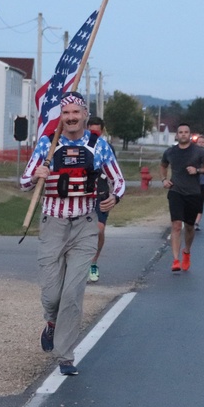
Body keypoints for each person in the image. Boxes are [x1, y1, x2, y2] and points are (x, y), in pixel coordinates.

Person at [20, 92, 125, 376]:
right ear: (61, 116)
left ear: (84, 114)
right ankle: (52, 322)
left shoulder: (98, 146)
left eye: (75, 113)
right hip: (53, 222)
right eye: (66, 113)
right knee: (52, 293)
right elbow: (24, 181)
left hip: (85, 224)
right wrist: (37, 175)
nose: (70, 118)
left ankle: (65, 356)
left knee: (73, 292)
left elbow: (119, 181)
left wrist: (114, 198)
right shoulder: (47, 143)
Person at [159, 123, 204, 272]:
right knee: (176, 225)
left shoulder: (198, 151)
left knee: (189, 227)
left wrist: (197, 170)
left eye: (186, 132)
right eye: (180, 132)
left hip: (193, 193)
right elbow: (163, 165)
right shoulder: (170, 152)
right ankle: (175, 260)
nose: (183, 134)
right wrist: (164, 179)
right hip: (176, 191)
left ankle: (187, 252)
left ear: (190, 135)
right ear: (176, 135)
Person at [87, 115, 111, 282]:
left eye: (97, 132)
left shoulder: (106, 148)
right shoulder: (81, 146)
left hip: (101, 194)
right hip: (83, 194)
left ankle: (93, 262)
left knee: (99, 229)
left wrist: (115, 195)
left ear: (101, 132)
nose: (94, 135)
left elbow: (115, 174)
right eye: (91, 131)